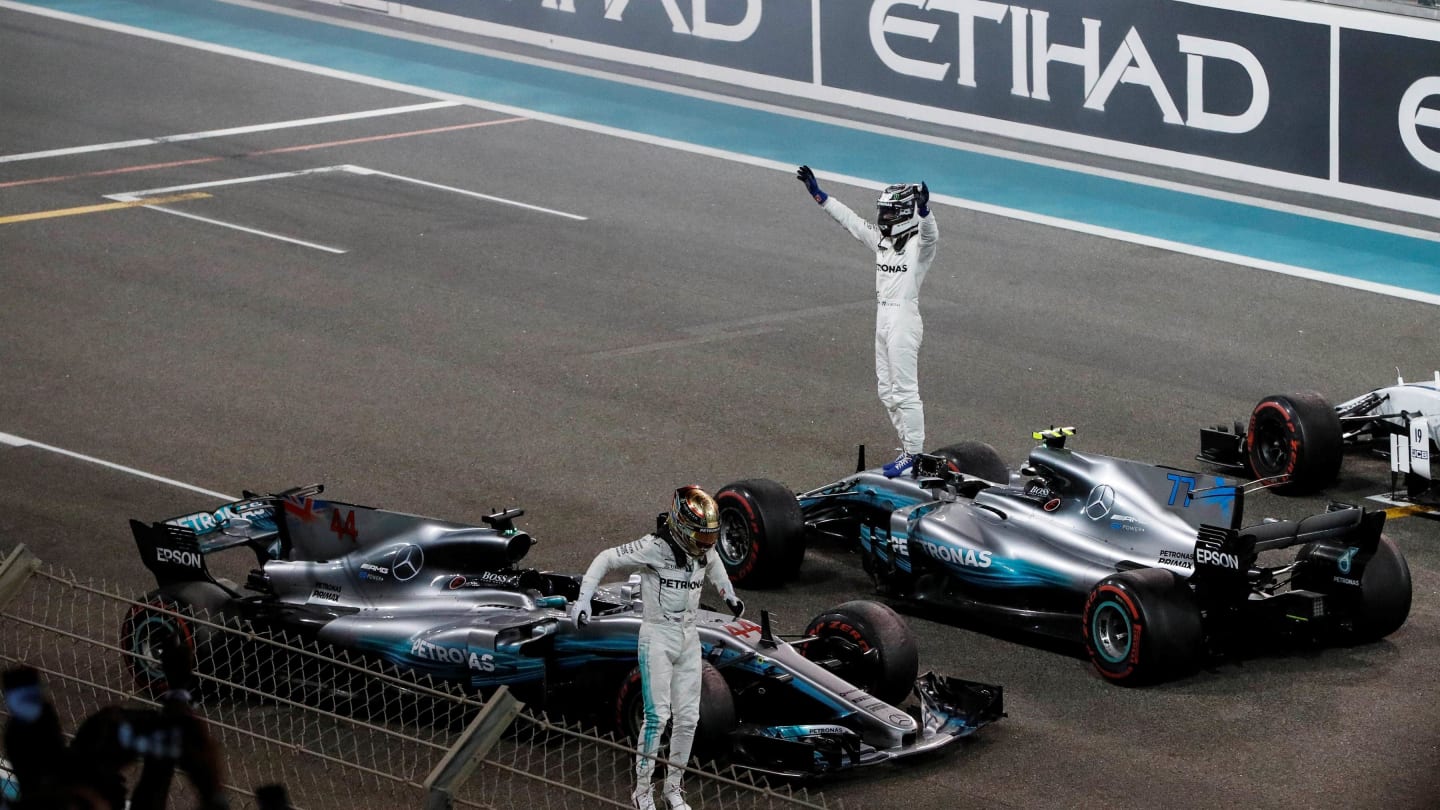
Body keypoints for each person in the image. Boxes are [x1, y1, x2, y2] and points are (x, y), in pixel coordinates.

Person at [574, 486, 744, 810]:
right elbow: (606, 558)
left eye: (711, 537)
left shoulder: (702, 549)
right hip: (657, 636)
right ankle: (641, 792)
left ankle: (673, 790)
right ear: (681, 527)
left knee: (689, 718)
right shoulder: (653, 547)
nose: (707, 544)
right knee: (657, 717)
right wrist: (584, 600)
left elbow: (714, 563)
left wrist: (728, 594)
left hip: (688, 636)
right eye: (702, 536)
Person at [796, 165, 939, 477]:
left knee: (904, 391)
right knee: (886, 392)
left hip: (903, 320)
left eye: (889, 213)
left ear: (903, 214)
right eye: (882, 212)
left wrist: (926, 211)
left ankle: (915, 454)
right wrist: (820, 197)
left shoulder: (918, 248)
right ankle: (907, 449)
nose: (882, 219)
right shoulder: (881, 242)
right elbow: (851, 222)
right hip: (883, 318)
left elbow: (931, 236)